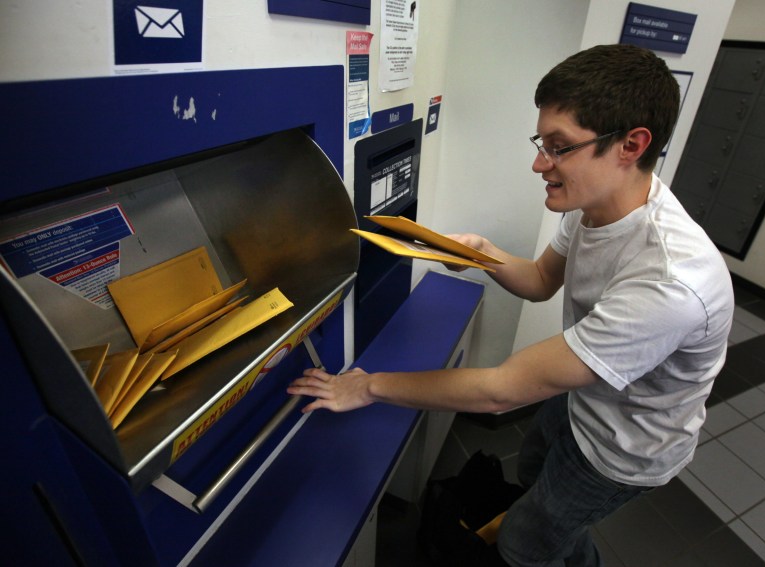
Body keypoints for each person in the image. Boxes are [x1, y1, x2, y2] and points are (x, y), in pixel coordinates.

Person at [288, 43, 734, 566]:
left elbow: (501, 391)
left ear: (630, 145)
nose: (539, 164)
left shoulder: (671, 283)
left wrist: (368, 386)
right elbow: (542, 279)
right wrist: (483, 254)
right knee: (533, 482)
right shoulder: (594, 207)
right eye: (542, 142)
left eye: (559, 147)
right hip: (581, 399)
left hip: (623, 449)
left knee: (525, 543)